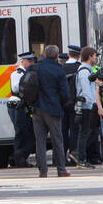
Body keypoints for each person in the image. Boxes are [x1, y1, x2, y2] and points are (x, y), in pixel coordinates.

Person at [32, 45, 72, 178]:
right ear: (57, 56)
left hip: (37, 109)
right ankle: (61, 169)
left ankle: (43, 171)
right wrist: (61, 103)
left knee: (40, 141)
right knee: (57, 140)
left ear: (44, 55)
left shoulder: (36, 67)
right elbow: (65, 93)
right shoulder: (58, 70)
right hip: (53, 109)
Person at [73, 46, 101, 166]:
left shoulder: (88, 70)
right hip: (86, 107)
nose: (96, 58)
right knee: (84, 133)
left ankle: (81, 155)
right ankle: (80, 158)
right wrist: (92, 104)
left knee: (88, 132)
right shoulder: (84, 71)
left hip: (88, 105)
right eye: (95, 56)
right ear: (90, 57)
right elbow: (85, 91)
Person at [9, 51, 37, 168]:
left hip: (25, 105)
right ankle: (19, 158)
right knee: (21, 132)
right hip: (17, 105)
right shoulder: (18, 73)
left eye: (32, 61)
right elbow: (16, 88)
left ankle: (20, 157)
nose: (30, 63)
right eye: (28, 61)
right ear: (23, 61)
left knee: (27, 132)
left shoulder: (28, 72)